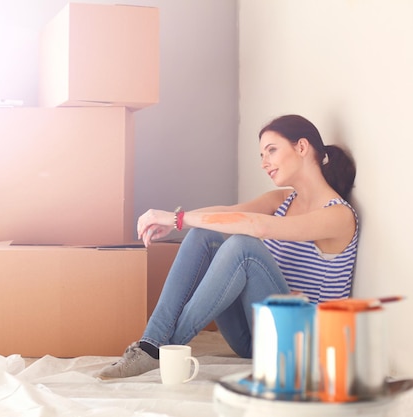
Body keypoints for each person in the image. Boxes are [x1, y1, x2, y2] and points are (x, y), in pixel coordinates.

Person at [96, 114, 358, 380]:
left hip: (300, 345)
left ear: (302, 147)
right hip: (254, 339)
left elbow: (258, 227)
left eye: (271, 150)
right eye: (261, 155)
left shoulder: (338, 216)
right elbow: (229, 213)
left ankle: (159, 350)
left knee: (244, 247)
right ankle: (152, 342)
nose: (264, 163)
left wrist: (177, 219)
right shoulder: (283, 200)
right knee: (205, 233)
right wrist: (178, 220)